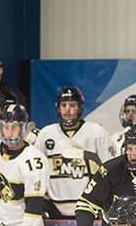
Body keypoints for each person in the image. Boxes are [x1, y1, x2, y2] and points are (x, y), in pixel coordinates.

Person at [35, 86, 115, 218]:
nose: (67, 109)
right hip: (54, 205)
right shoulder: (46, 134)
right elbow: (38, 170)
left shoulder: (97, 132)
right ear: (58, 108)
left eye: (72, 105)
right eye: (63, 105)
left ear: (80, 108)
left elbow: (110, 168)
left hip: (89, 205)